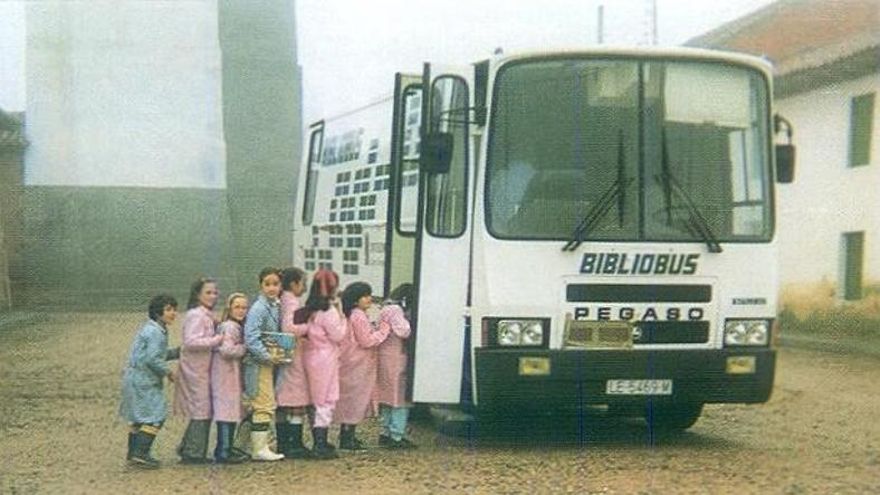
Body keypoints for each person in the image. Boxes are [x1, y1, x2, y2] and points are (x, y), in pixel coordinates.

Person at [119, 294, 178, 469]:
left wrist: (176, 352)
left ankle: (133, 454)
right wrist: (168, 372)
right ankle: (140, 453)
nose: (173, 313)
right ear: (158, 312)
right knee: (155, 416)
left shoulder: (153, 329)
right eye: (168, 309)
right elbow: (153, 359)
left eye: (174, 309)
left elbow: (155, 354)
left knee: (139, 417)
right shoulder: (155, 332)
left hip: (135, 379)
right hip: (144, 381)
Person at [295, 269, 347, 460]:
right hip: (326, 357)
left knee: (316, 400)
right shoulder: (329, 311)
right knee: (326, 399)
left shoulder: (309, 309)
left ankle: (319, 440)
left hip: (310, 355)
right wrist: (342, 314)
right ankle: (320, 442)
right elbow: (339, 335)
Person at [174, 277, 224, 464]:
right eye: (208, 293)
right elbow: (191, 341)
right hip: (195, 368)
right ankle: (193, 452)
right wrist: (216, 340)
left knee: (203, 408)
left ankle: (189, 447)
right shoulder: (196, 315)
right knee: (201, 408)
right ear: (197, 295)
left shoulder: (206, 315)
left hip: (202, 367)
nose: (213, 296)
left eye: (215, 292)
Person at [335, 282, 389, 451]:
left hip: (350, 362)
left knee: (351, 400)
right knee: (355, 400)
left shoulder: (351, 314)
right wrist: (383, 330)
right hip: (357, 364)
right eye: (365, 296)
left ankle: (348, 436)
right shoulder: (358, 315)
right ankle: (347, 439)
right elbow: (366, 341)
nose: (369, 299)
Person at [242, 267, 286, 461]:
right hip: (259, 363)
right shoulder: (259, 308)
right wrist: (267, 356)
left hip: (269, 362)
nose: (271, 288)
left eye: (275, 284)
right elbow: (251, 339)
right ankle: (259, 449)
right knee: (263, 403)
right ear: (261, 285)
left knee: (264, 402)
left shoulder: (274, 305)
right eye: (267, 284)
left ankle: (252, 444)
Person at [209, 293, 251, 464]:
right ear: (230, 308)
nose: (241, 311)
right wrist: (245, 348)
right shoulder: (230, 327)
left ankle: (225, 447)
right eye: (237, 307)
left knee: (228, 412)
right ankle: (223, 451)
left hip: (225, 375)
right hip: (225, 375)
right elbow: (227, 350)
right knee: (226, 413)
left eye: (244, 307)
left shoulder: (228, 325)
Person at [275, 267, 312, 459]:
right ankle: (295, 443)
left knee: (283, 398)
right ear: (294, 283)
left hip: (284, 353)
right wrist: (309, 327)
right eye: (302, 282)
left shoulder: (282, 299)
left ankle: (283, 442)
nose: (304, 287)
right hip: (292, 352)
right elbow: (289, 328)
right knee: (296, 398)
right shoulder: (291, 301)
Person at [376, 284, 417, 449]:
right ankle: (397, 436)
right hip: (397, 357)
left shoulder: (385, 308)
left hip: (385, 356)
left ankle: (385, 432)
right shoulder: (396, 310)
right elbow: (404, 331)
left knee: (386, 397)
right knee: (400, 397)